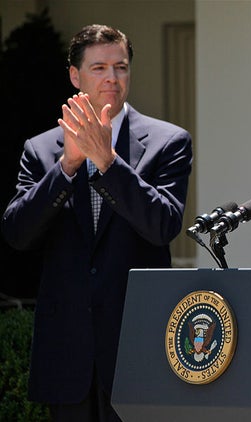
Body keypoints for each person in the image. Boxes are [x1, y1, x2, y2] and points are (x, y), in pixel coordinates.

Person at [2, 24, 193, 421]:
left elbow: (163, 226)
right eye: (99, 68)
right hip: (67, 353)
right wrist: (68, 165)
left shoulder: (168, 142)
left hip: (138, 347)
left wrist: (107, 162)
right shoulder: (40, 150)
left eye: (120, 67)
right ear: (75, 76)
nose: (112, 78)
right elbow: (17, 233)